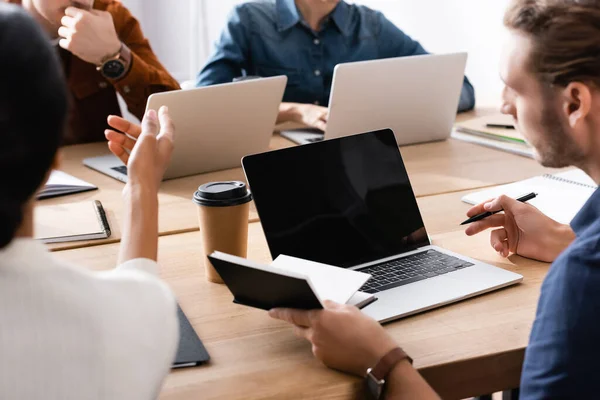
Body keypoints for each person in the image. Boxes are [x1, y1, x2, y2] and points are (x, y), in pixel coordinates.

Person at [269, 0, 600, 398]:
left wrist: (380, 359)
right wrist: (567, 239)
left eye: (513, 86)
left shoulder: (583, 279)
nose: (505, 104)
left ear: (575, 103)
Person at [0, 4, 179, 399]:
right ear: (53, 161)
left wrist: (114, 57)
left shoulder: (112, 15)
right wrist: (141, 187)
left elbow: (175, 109)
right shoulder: (130, 322)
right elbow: (141, 298)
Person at [196, 0, 476, 132]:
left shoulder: (372, 25)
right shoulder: (248, 20)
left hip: (358, 161)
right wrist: (293, 110)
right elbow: (205, 100)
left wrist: (388, 105)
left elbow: (460, 91)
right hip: (273, 162)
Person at [7, 0, 180, 145]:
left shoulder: (110, 15)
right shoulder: (5, 25)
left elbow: (177, 120)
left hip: (101, 179)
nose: (83, 0)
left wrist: (113, 56)